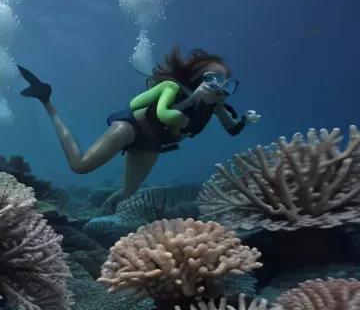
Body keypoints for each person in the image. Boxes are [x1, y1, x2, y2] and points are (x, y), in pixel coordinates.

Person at [18, 47, 261, 212]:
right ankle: (47, 101)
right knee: (80, 166)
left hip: (152, 143)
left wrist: (245, 121)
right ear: (199, 78)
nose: (218, 87)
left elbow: (232, 129)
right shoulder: (173, 88)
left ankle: (97, 219)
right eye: (213, 79)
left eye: (224, 82)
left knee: (128, 191)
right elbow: (163, 113)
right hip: (131, 127)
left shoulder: (216, 106)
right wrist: (190, 101)